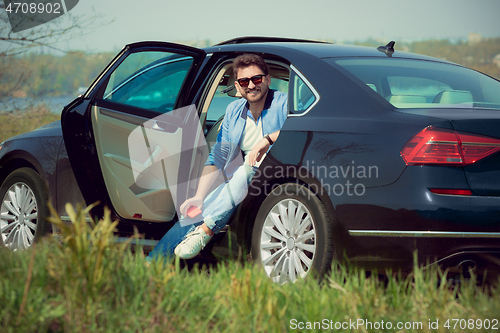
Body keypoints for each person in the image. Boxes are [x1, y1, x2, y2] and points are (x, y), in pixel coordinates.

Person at [146, 53, 288, 261]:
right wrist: (199, 197)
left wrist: (268, 139)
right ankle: (153, 263)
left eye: (257, 79)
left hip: (274, 177)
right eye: (244, 81)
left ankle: (207, 229)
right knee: (194, 212)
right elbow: (218, 158)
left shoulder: (283, 103)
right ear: (238, 87)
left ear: (267, 80)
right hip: (241, 183)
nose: (251, 85)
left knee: (248, 167)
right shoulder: (233, 111)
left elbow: (304, 128)